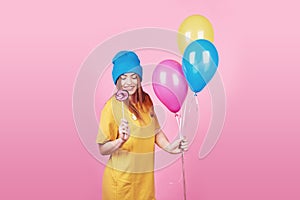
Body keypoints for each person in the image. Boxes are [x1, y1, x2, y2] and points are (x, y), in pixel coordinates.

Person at [96, 50, 188, 200]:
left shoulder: (146, 101)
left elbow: (155, 131)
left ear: (139, 78)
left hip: (144, 184)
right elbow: (102, 149)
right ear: (118, 81)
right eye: (123, 77)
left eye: (134, 76)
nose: (129, 82)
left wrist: (170, 147)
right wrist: (120, 141)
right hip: (121, 184)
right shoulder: (111, 108)